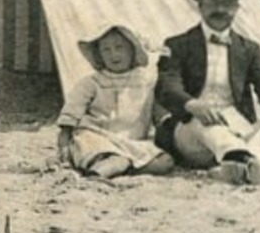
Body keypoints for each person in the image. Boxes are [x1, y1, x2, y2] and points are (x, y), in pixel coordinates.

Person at [156, 0, 260, 186]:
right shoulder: (178, 45)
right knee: (207, 121)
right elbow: (167, 85)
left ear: (237, 9)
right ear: (200, 6)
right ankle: (242, 159)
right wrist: (192, 104)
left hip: (238, 126)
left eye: (227, 4)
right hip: (191, 132)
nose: (220, 10)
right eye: (212, 3)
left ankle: (251, 168)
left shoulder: (249, 48)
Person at [57, 24, 173, 179]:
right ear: (99, 55)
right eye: (106, 50)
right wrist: (64, 142)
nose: (113, 54)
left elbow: (159, 113)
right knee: (97, 151)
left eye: (119, 48)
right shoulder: (92, 82)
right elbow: (72, 111)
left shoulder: (146, 81)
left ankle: (122, 166)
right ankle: (99, 172)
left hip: (132, 141)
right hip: (97, 136)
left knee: (165, 162)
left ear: (133, 51)